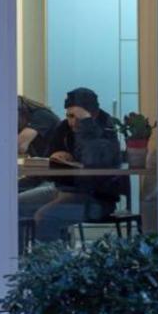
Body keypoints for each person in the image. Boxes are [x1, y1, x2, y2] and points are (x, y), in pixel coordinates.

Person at [18, 87, 122, 243]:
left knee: (45, 216)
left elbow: (95, 162)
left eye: (78, 117)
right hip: (62, 190)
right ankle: (14, 260)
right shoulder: (64, 127)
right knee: (13, 204)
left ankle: (49, 263)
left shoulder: (105, 128)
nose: (73, 122)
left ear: (92, 115)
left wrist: (87, 126)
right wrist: (56, 156)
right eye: (69, 116)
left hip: (96, 197)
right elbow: (50, 155)